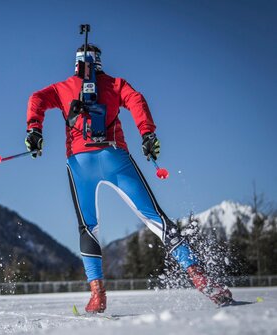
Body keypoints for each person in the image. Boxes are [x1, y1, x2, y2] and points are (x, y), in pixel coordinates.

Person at [24, 43, 233, 313]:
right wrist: (147, 134)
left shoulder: (62, 88)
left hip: (79, 163)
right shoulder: (116, 84)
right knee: (156, 219)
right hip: (115, 158)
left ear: (76, 63)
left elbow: (36, 98)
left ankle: (97, 295)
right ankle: (199, 276)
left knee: (88, 227)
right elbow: (137, 100)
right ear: (99, 61)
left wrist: (34, 130)